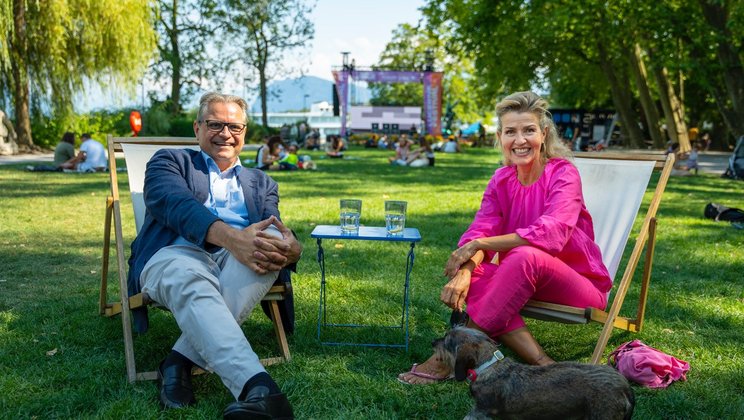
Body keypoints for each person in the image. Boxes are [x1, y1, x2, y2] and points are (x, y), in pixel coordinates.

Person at [398, 91, 611, 384]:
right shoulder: (501, 180)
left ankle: (452, 354)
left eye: (529, 130)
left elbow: (551, 233)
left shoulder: (563, 174)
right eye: (511, 131)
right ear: (500, 137)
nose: (520, 140)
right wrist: (467, 270)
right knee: (480, 273)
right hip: (521, 279)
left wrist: (479, 245)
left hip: (578, 284)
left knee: (525, 256)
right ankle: (544, 363)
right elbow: (480, 230)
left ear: (544, 134)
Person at [128, 92, 301, 417]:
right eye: (215, 124)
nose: (225, 133)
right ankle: (257, 387)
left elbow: (274, 226)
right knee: (189, 276)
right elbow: (175, 206)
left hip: (242, 258)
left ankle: (177, 362)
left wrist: (292, 249)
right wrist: (233, 239)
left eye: (234, 126)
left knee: (269, 244)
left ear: (245, 132)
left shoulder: (262, 182)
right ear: (197, 128)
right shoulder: (169, 161)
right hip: (173, 252)